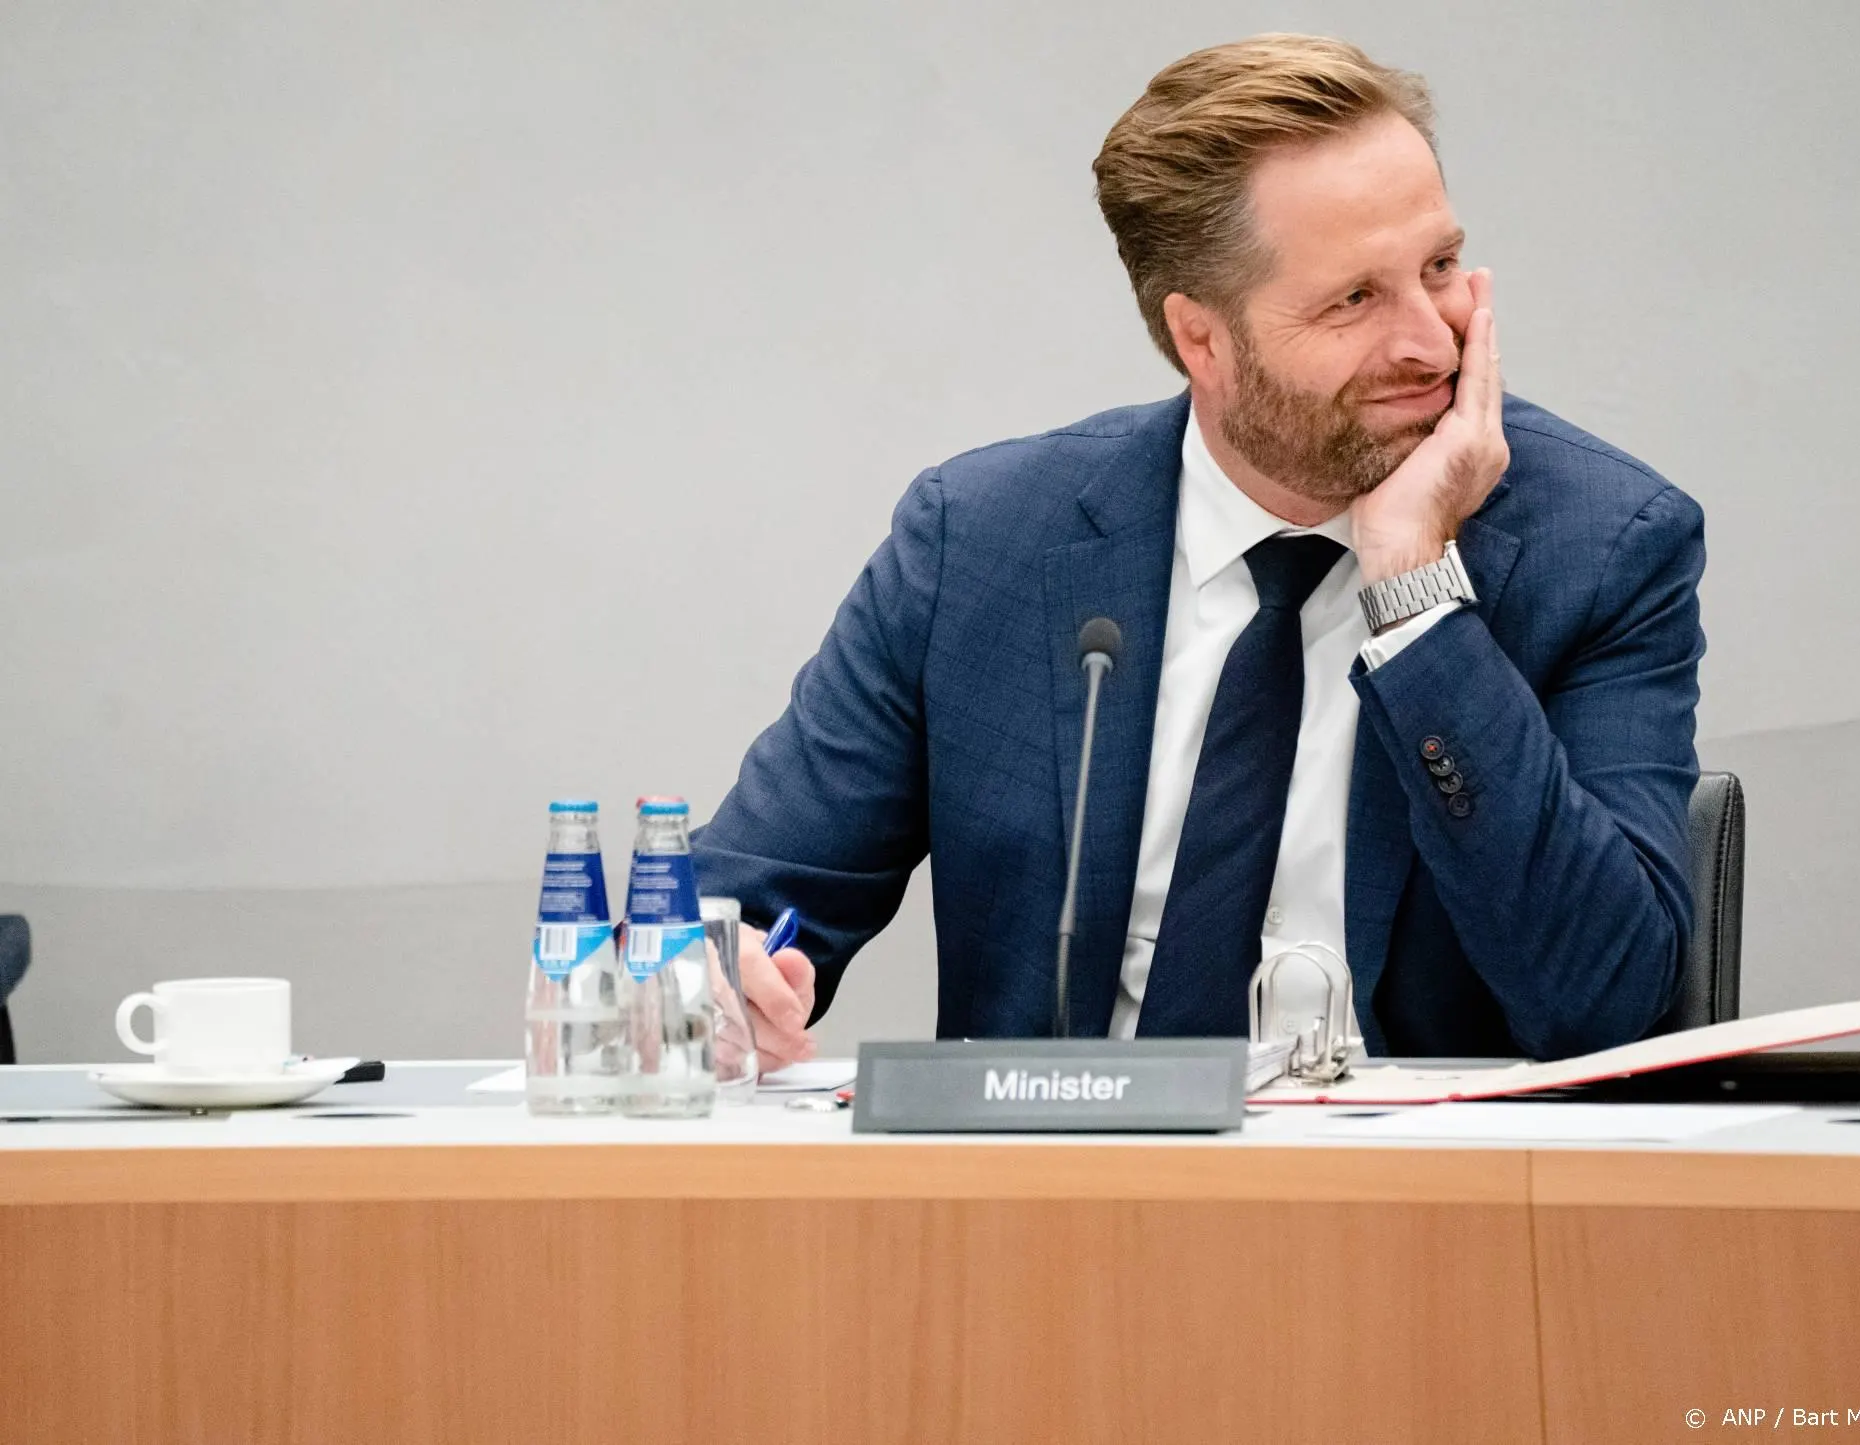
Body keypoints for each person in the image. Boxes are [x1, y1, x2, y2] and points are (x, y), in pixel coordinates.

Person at [693, 33, 1704, 1068]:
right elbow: (734, 911)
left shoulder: (1605, 548)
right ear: (1202, 339)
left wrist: (1417, 592)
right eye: (1355, 298)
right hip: (1058, 1203)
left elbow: (1608, 1008)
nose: (1434, 344)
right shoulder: (983, 544)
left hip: (1424, 1212)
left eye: (1439, 267)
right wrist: (717, 987)